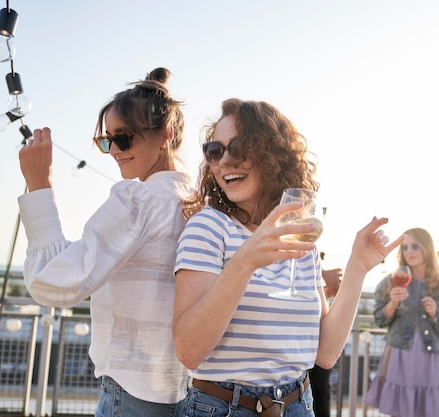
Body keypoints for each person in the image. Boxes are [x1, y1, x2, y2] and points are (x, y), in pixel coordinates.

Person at [172, 98, 405, 417]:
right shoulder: (209, 226)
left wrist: (358, 267)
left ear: (271, 155)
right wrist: (246, 261)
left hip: (298, 404)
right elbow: (188, 351)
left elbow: (324, 354)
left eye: (238, 148)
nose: (225, 161)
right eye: (215, 151)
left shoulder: (300, 240)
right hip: (226, 407)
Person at [17, 67, 191, 417]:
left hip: (131, 394)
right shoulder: (192, 199)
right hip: (184, 391)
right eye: (106, 141)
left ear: (165, 135)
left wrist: (38, 184)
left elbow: (52, 281)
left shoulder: (139, 200)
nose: (114, 150)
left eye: (123, 138)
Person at [364, 227, 439, 417]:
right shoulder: (390, 282)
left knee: (431, 411)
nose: (409, 251)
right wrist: (392, 304)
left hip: (431, 358)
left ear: (427, 249)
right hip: (399, 355)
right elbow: (379, 320)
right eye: (405, 247)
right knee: (401, 411)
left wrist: (436, 315)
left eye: (415, 246)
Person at [309, 267, 343, 417]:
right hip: (302, 345)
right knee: (318, 393)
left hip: (318, 340)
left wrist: (326, 293)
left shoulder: (313, 256)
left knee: (322, 393)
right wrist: (322, 276)